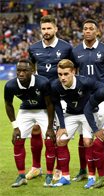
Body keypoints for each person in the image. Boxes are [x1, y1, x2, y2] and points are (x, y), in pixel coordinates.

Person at [71, 19, 104, 183]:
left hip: (102, 96)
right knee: (84, 136)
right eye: (85, 29)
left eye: (91, 29)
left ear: (97, 31)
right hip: (82, 98)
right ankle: (83, 170)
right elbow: (73, 75)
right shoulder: (75, 51)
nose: (88, 31)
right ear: (82, 32)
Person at [28, 15, 73, 181]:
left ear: (56, 29)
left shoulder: (66, 47)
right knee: (35, 129)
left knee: (57, 132)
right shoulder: (33, 48)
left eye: (49, 28)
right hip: (40, 94)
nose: (46, 32)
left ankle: (59, 169)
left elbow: (73, 69)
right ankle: (36, 167)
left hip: (60, 96)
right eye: (43, 29)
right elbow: (30, 67)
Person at [50, 59, 103, 188]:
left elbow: (103, 87)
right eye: (60, 74)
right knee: (60, 141)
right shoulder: (55, 86)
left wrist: (94, 102)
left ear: (73, 72)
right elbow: (56, 105)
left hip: (87, 114)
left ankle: (91, 177)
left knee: (87, 142)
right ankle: (65, 177)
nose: (63, 77)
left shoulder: (85, 81)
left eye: (66, 74)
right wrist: (61, 126)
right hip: (71, 114)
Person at [4, 59, 56, 187]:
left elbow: (50, 104)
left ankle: (49, 176)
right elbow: (8, 104)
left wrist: (50, 127)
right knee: (17, 139)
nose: (21, 74)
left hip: (43, 110)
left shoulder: (43, 82)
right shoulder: (10, 85)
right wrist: (15, 127)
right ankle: (21, 176)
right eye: (18, 71)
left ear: (32, 72)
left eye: (24, 71)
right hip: (25, 110)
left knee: (49, 140)